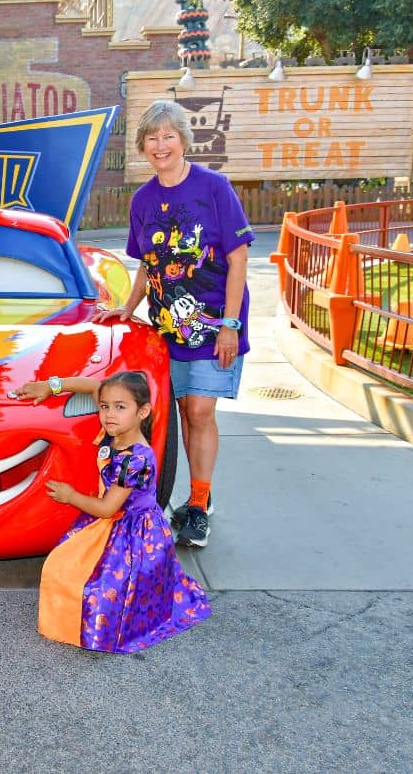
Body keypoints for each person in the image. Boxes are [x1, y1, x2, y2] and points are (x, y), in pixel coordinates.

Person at [95, 99, 253, 548]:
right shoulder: (143, 200)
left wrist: (230, 324)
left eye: (169, 136)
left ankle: (199, 506)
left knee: (200, 411)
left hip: (214, 324)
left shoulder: (215, 188)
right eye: (152, 137)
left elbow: (238, 261)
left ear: (183, 139)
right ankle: (180, 497)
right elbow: (148, 263)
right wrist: (128, 306)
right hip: (166, 329)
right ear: (143, 146)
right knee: (178, 415)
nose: (161, 145)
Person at [20, 371, 210, 654]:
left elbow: (108, 508)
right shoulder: (120, 428)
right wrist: (51, 386)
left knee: (96, 590)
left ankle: (104, 628)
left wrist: (70, 496)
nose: (109, 414)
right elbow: (94, 386)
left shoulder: (133, 460)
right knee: (65, 565)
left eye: (120, 407)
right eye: (105, 406)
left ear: (142, 412)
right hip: (117, 521)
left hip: (133, 534)